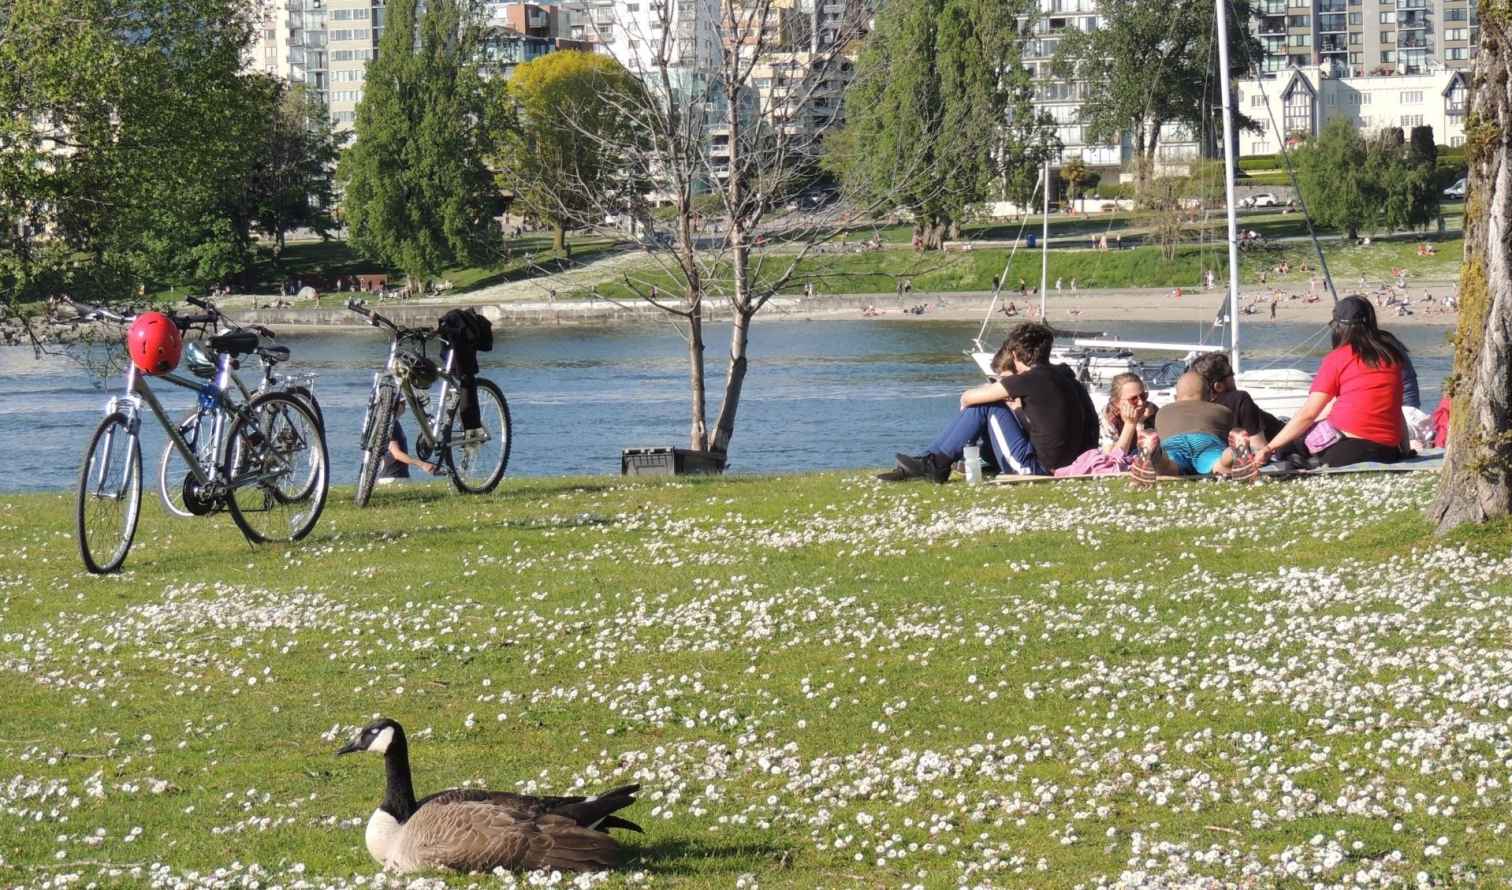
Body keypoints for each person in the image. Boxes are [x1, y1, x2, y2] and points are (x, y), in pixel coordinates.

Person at [880, 322, 1098, 482]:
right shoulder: (1066, 377)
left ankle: (935, 462)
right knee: (993, 406)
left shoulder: (1028, 379)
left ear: (1014, 354)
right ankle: (936, 459)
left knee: (987, 405)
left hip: (1037, 468)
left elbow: (967, 397)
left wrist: (992, 393)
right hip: (1073, 463)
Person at [1256, 296, 1410, 468]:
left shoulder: (1338, 358)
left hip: (1347, 449)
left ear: (1338, 327)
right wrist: (1405, 448)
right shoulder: (1391, 357)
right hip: (1387, 451)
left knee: (1288, 447)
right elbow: (1396, 408)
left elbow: (1309, 413)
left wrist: (1270, 447)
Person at [1053, 373, 1157, 476]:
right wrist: (1130, 424)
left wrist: (1140, 424)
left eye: (1143, 396)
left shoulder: (1152, 411)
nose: (1141, 403)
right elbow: (1112, 460)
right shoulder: (1108, 416)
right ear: (1117, 402)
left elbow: (1151, 453)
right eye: (1133, 399)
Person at [1143, 372, 1243, 477]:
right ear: (1209, 396)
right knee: (1218, 463)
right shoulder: (1222, 411)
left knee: (1169, 465)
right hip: (1207, 441)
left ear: (1176, 397)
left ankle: (1158, 457)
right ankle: (1231, 454)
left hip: (1174, 442)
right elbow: (1227, 436)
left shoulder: (1163, 412)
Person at [378, 397, 441, 485]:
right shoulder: (391, 424)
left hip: (395, 477)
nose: (404, 406)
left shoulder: (392, 423)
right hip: (393, 478)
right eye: (402, 403)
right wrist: (422, 464)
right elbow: (396, 454)